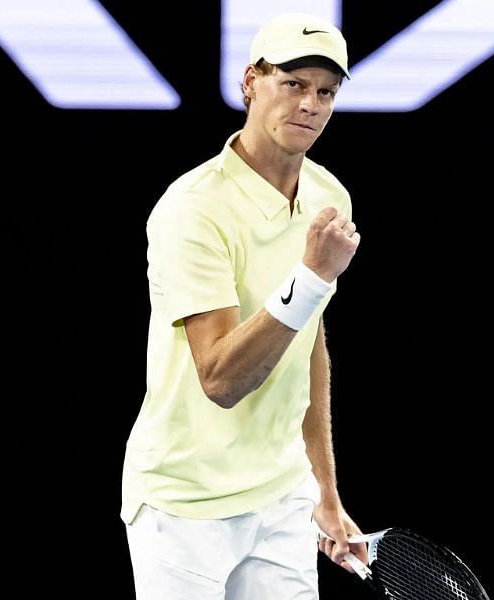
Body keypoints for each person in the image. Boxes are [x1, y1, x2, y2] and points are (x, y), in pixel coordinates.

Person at [120, 12, 367, 598]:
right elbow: (221, 380)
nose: (310, 104)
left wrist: (324, 494)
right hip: (186, 504)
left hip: (282, 497)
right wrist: (309, 276)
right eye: (294, 84)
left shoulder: (329, 197)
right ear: (251, 82)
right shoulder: (192, 209)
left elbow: (308, 348)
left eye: (326, 92)